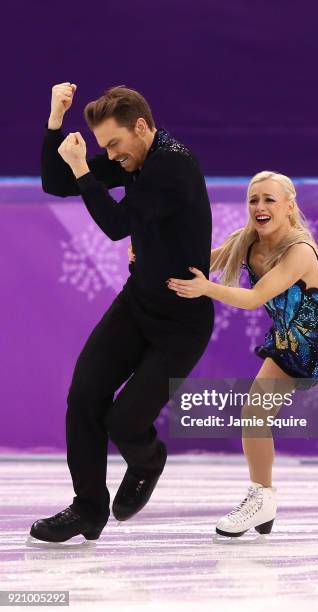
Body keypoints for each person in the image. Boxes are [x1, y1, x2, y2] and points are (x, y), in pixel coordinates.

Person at [164, 170, 318, 538]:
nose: (260, 206)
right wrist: (151, 256)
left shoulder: (300, 250)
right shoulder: (246, 241)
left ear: (289, 206)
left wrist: (204, 289)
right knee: (254, 413)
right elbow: (207, 259)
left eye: (269, 199)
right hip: (288, 347)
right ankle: (261, 497)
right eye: (254, 200)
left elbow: (255, 299)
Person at [29, 82, 214, 543]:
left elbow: (115, 226)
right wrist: (55, 122)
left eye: (113, 144)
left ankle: (149, 459)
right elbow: (56, 183)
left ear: (142, 127)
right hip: (139, 303)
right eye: (102, 147)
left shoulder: (171, 166)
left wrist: (82, 171)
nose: (110, 155)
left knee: (125, 421)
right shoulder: (132, 156)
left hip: (182, 322)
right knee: (85, 396)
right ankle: (87, 510)